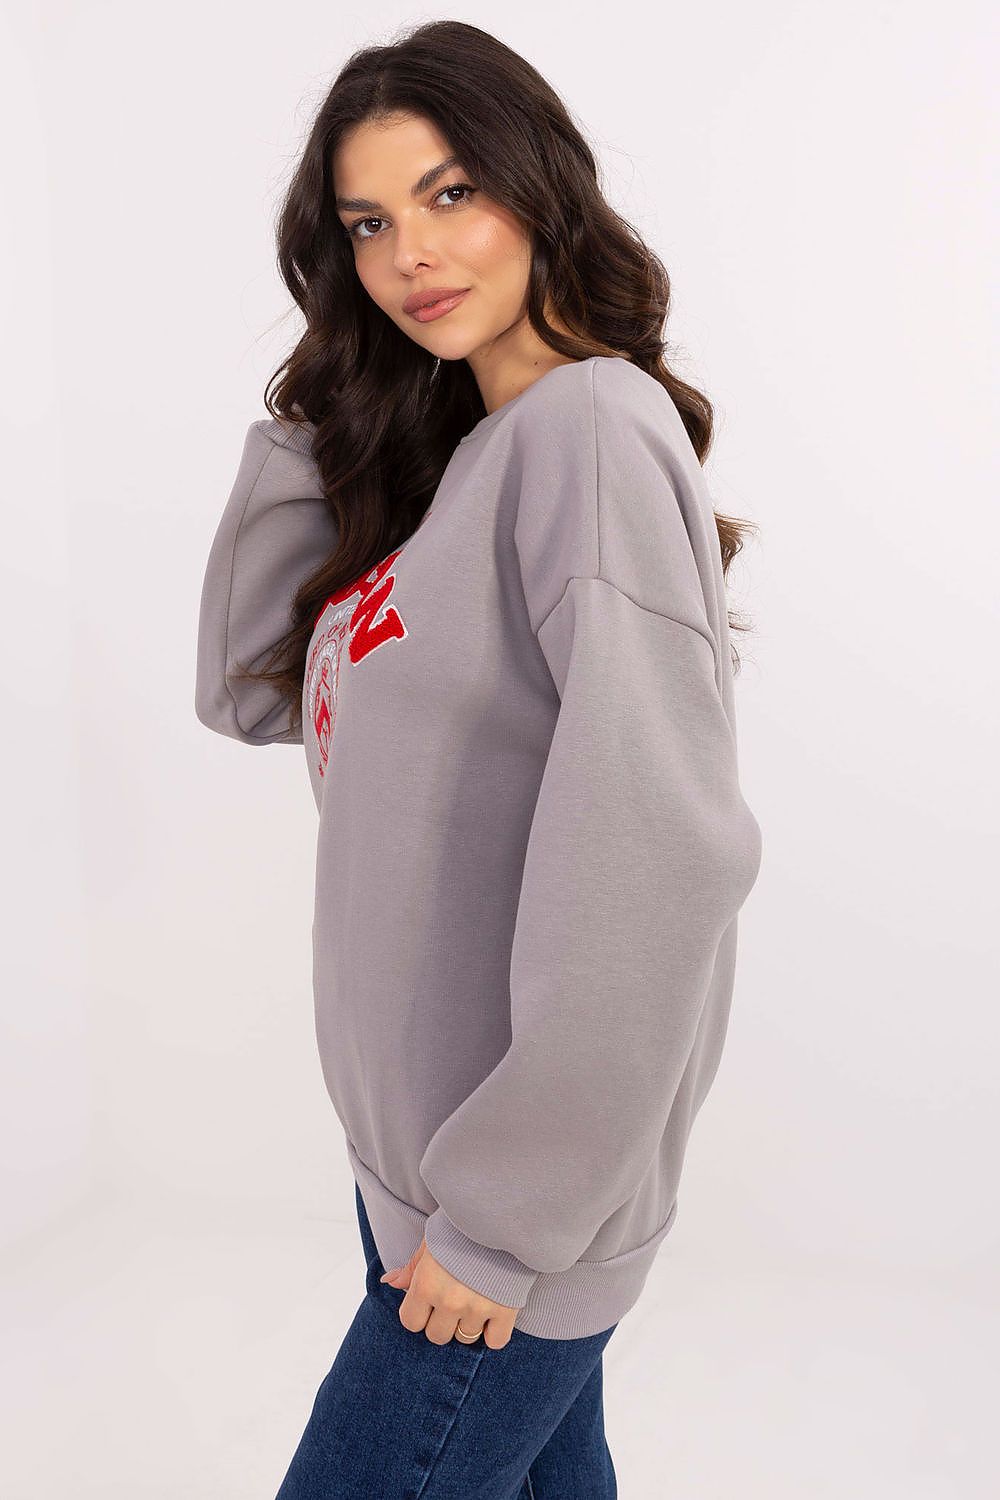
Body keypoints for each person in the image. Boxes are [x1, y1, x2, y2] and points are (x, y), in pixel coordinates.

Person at [195, 19, 763, 1499]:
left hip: (501, 1212)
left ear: (537, 187)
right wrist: (322, 397)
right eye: (368, 225)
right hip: (419, 1175)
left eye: (451, 196)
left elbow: (661, 855)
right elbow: (249, 694)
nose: (410, 256)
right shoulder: (461, 466)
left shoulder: (587, 431)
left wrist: (506, 1218)